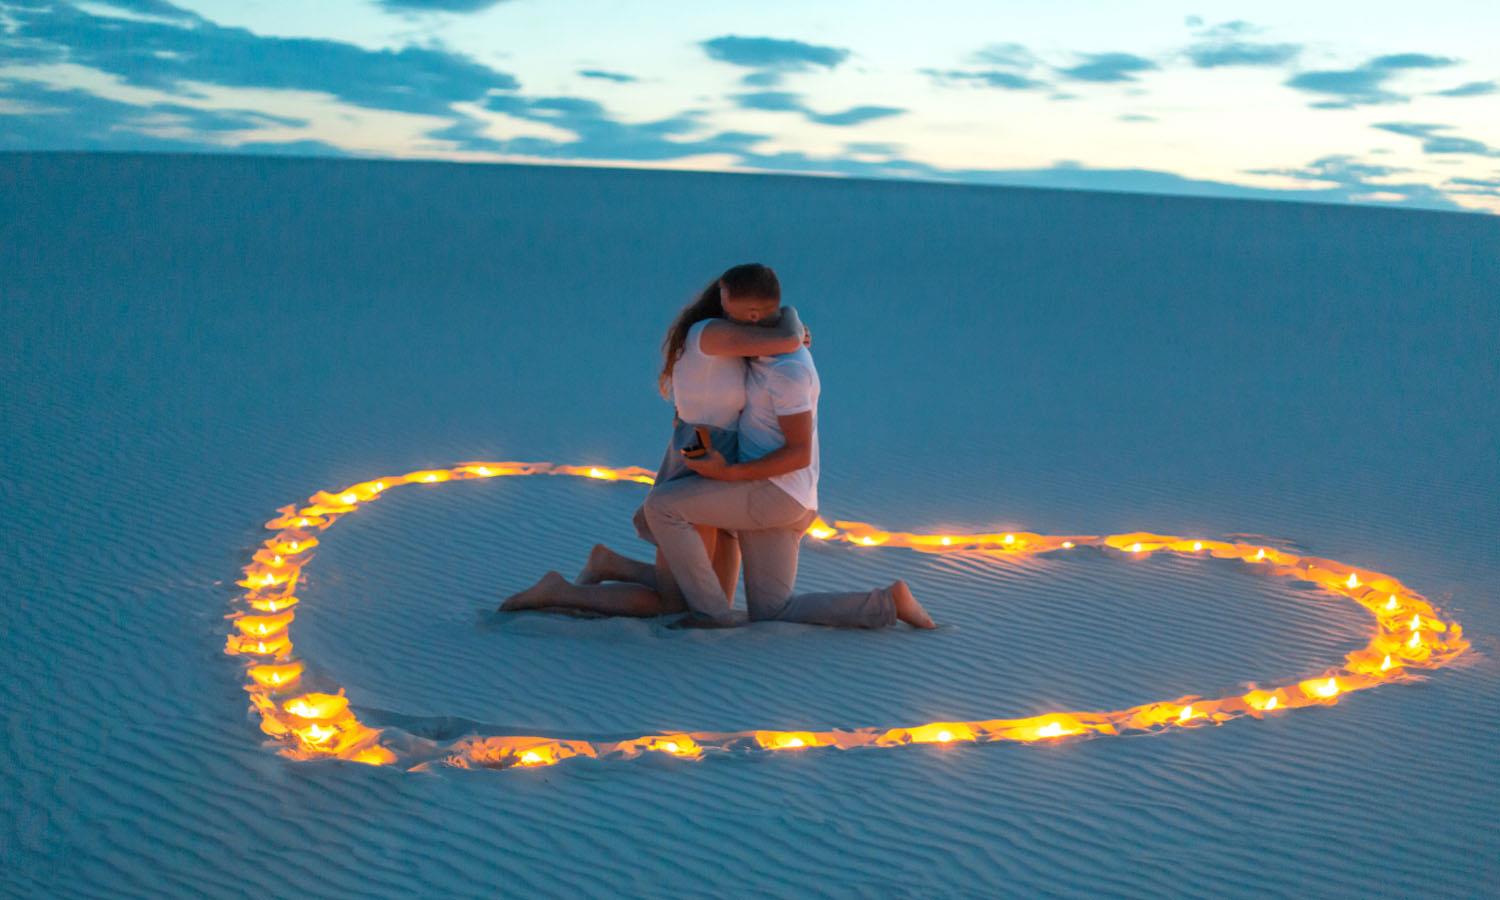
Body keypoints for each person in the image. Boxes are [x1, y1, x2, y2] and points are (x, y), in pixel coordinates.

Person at [499, 263, 806, 616]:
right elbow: (788, 340)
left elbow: (776, 347)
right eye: (753, 314)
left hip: (721, 450)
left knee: (708, 592)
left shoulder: (735, 337)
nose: (756, 321)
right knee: (676, 604)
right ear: (724, 298)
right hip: (704, 449)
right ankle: (559, 592)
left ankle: (610, 564)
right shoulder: (711, 332)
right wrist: (791, 316)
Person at [641, 266, 935, 631]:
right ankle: (888, 603)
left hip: (776, 493)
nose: (720, 302)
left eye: (725, 297)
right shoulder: (761, 351)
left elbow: (799, 453)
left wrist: (727, 473)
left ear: (748, 311)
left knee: (662, 508)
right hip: (782, 495)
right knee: (773, 611)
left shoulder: (788, 370)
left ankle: (710, 613)